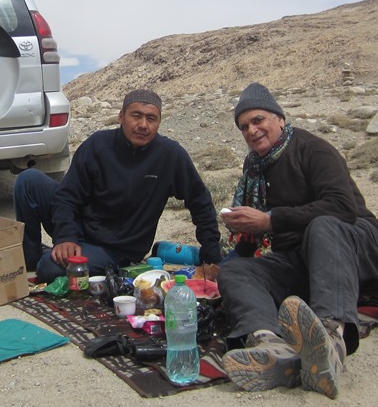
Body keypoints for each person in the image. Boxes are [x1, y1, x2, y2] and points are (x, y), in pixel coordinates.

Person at [217, 82, 378, 399]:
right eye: (244, 126)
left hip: (358, 244)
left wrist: (271, 220)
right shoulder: (254, 167)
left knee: (322, 225)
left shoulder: (313, 149)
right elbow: (255, 235)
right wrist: (236, 252)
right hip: (302, 256)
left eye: (258, 120)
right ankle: (271, 347)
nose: (252, 130)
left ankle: (331, 341)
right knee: (236, 271)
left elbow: (343, 208)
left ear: (280, 119)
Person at [13, 88, 223, 282]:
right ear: (121, 117)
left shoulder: (170, 156)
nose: (143, 125)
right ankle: (30, 257)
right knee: (28, 180)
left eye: (151, 118)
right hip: (82, 227)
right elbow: (67, 196)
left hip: (116, 248)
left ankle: (50, 258)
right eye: (136, 115)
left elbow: (201, 203)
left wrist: (211, 258)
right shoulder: (98, 145)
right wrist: (66, 237)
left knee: (49, 269)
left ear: (159, 123)